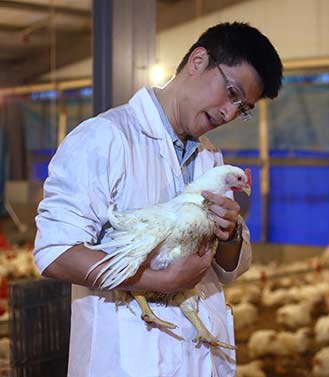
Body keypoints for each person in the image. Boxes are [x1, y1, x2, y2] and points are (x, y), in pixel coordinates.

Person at [33, 22, 282, 377]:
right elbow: (54, 252)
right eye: (231, 92)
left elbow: (227, 270)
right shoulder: (105, 139)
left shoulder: (212, 159)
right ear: (198, 61)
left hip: (198, 360)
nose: (229, 113)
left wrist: (229, 235)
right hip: (127, 360)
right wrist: (154, 280)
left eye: (242, 108)